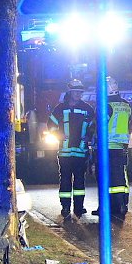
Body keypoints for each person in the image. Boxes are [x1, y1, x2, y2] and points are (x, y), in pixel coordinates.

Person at [48, 79, 94, 218]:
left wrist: (89, 136)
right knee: (65, 180)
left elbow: (93, 126)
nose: (78, 94)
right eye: (76, 92)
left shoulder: (87, 109)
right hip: (65, 152)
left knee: (80, 180)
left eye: (80, 92)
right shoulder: (60, 109)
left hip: (81, 152)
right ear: (70, 92)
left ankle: (79, 207)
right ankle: (65, 207)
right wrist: (58, 135)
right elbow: (50, 125)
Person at [92, 77, 132, 217]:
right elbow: (129, 125)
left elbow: (98, 126)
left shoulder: (104, 105)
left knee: (103, 177)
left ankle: (105, 208)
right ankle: (121, 204)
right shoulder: (126, 105)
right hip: (120, 146)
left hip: (104, 147)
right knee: (119, 177)